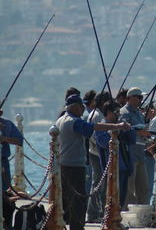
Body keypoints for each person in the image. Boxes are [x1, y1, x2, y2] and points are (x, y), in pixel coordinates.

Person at [56, 94, 130, 230]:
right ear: (75, 107)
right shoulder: (74, 121)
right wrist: (117, 125)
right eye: (81, 107)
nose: (83, 109)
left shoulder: (60, 120)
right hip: (74, 165)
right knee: (78, 200)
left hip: (62, 164)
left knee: (66, 199)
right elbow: (94, 127)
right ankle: (77, 227)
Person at [95, 100, 135, 207]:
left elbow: (132, 140)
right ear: (108, 112)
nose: (118, 115)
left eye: (119, 112)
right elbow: (103, 143)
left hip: (124, 167)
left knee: (121, 197)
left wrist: (128, 128)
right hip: (110, 169)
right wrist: (115, 129)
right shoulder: (101, 126)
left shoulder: (120, 124)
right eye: (116, 112)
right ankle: (107, 219)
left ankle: (117, 218)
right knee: (110, 197)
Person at [119, 87, 151, 207]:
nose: (141, 100)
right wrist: (139, 132)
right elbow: (123, 130)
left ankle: (143, 213)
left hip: (141, 154)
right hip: (130, 154)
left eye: (141, 97)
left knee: (144, 188)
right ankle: (128, 215)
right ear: (130, 98)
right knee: (129, 189)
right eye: (138, 97)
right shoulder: (124, 113)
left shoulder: (139, 113)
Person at [86, 92, 110, 223]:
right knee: (97, 183)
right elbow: (94, 136)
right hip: (96, 153)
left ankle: (99, 212)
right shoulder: (96, 115)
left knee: (101, 184)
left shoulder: (96, 113)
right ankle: (92, 214)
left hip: (97, 152)